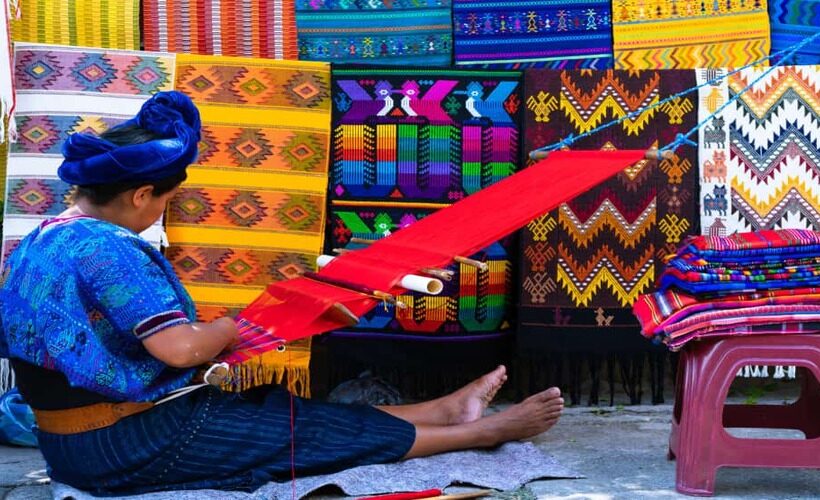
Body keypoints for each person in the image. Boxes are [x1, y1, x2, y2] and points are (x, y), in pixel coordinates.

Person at [0, 91, 564, 495]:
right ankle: (486, 431)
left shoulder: (45, 237)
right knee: (297, 434)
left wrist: (226, 331)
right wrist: (229, 328)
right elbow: (178, 351)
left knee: (272, 410)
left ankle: (442, 410)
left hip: (77, 446)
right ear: (142, 194)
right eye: (167, 201)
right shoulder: (109, 248)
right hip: (121, 446)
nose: (162, 214)